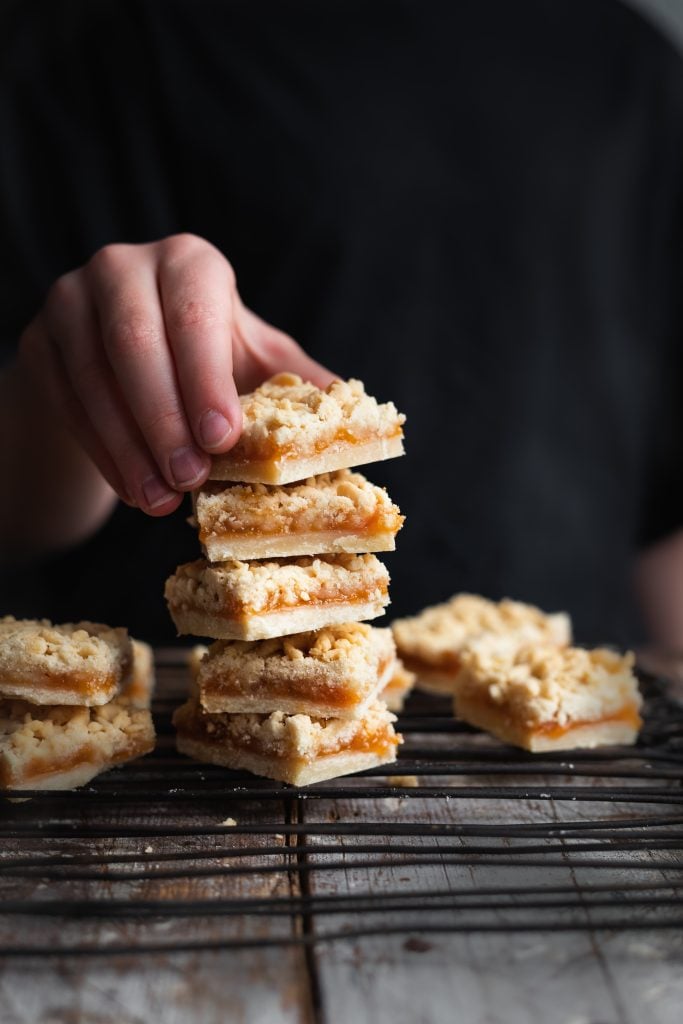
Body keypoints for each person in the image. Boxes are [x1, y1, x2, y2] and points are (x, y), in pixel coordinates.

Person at [1, 0, 683, 647]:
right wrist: (77, 382)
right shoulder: (102, 39)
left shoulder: (637, 69)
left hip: (591, 736)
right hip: (185, 710)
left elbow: (664, 519)